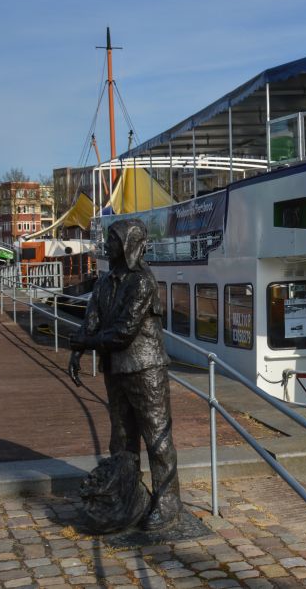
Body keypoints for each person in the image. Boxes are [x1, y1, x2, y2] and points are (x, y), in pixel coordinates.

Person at [68, 219, 182, 531]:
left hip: (146, 369)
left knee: (157, 437)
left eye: (115, 241)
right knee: (120, 437)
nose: (108, 245)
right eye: (109, 240)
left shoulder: (142, 282)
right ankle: (125, 495)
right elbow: (92, 320)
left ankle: (169, 502)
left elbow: (123, 332)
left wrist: (85, 343)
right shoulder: (103, 282)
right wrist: (78, 350)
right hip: (116, 368)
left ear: (130, 245)